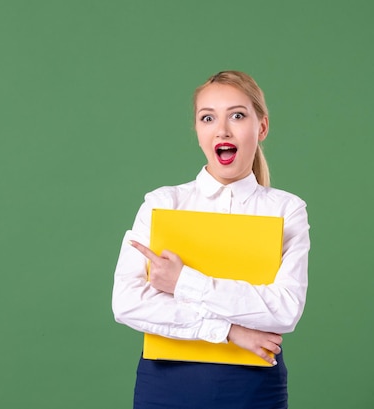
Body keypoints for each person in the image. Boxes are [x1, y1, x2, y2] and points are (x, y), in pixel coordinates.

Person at [111, 70, 310, 409]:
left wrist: (182, 281)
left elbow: (284, 311)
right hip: (166, 384)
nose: (222, 129)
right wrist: (230, 331)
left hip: (254, 387)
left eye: (237, 115)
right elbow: (127, 303)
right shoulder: (163, 203)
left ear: (261, 127)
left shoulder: (286, 210)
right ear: (199, 131)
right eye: (208, 117)